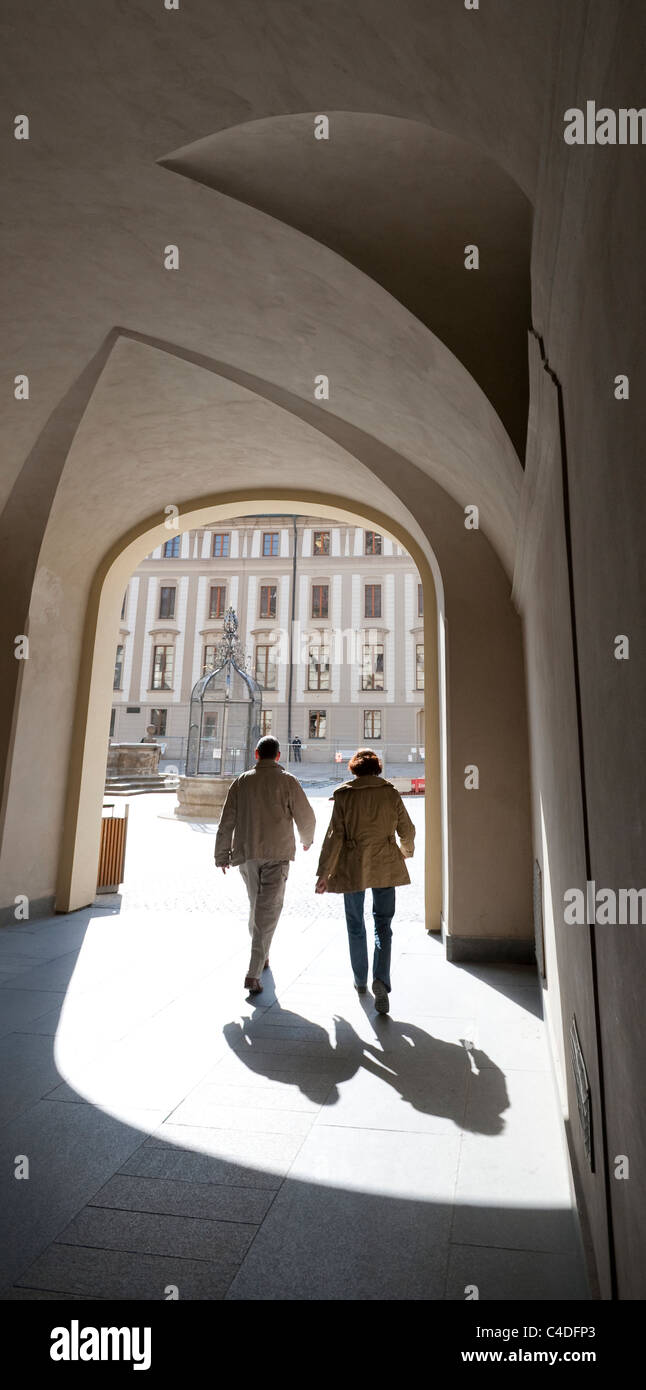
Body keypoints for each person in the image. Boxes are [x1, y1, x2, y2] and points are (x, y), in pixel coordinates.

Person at [315, 747, 415, 1014]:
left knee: (355, 923)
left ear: (354, 769)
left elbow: (334, 837)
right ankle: (380, 979)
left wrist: (323, 874)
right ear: (377, 769)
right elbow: (408, 829)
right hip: (385, 863)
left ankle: (360, 980)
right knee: (383, 924)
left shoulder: (345, 796)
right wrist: (406, 852)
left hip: (353, 865)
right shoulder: (390, 793)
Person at [215, 735, 315, 995]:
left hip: (247, 854)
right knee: (267, 910)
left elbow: (226, 821)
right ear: (278, 756)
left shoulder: (242, 782)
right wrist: (307, 840)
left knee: (257, 907)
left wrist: (221, 854)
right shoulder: (287, 781)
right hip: (277, 853)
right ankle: (253, 973)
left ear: (257, 755)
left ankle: (262, 954)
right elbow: (306, 816)